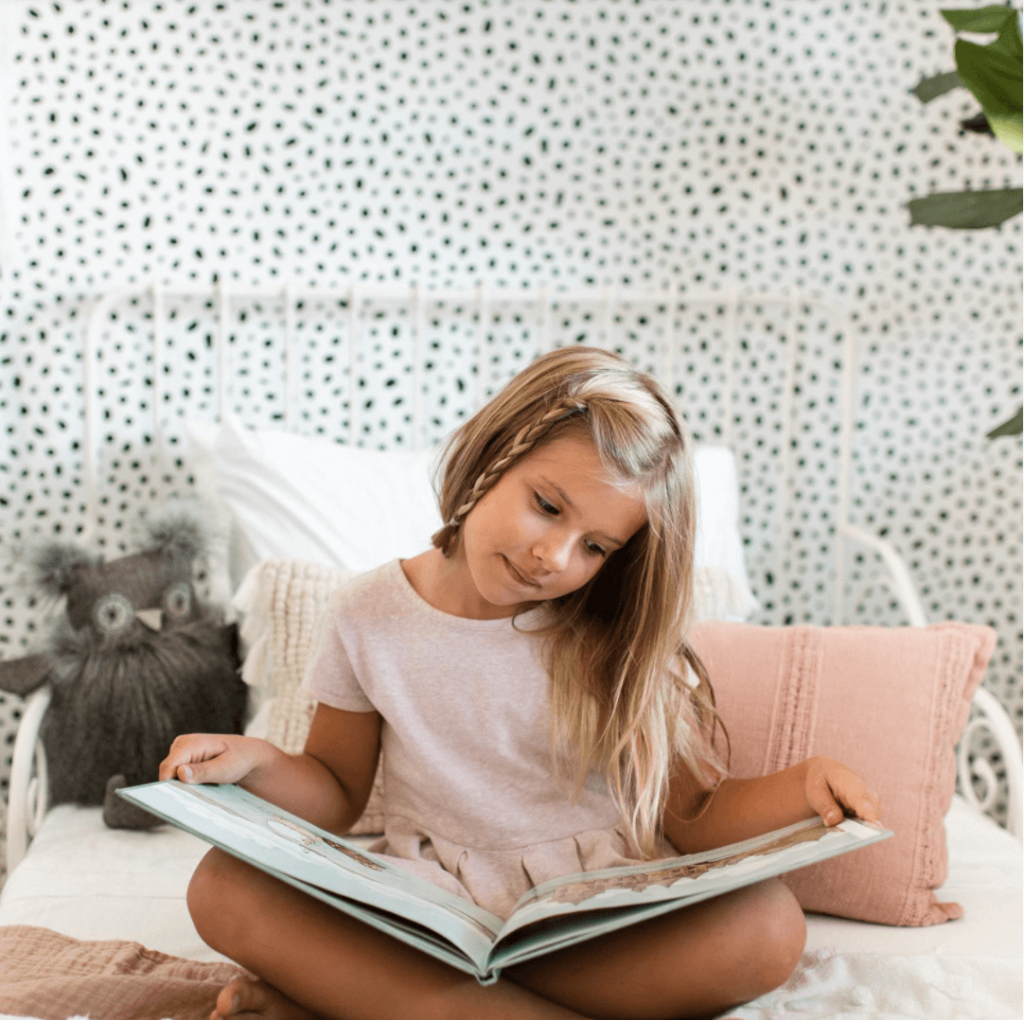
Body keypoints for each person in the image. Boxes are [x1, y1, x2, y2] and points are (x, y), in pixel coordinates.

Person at [160, 347, 882, 1020]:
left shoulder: (608, 636)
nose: (552, 555)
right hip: (432, 907)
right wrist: (255, 763)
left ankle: (382, 1002)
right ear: (494, 455)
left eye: (594, 546)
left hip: (587, 917)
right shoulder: (366, 613)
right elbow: (338, 794)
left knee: (767, 927)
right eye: (547, 506)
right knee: (224, 886)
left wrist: (806, 783)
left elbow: (692, 815)